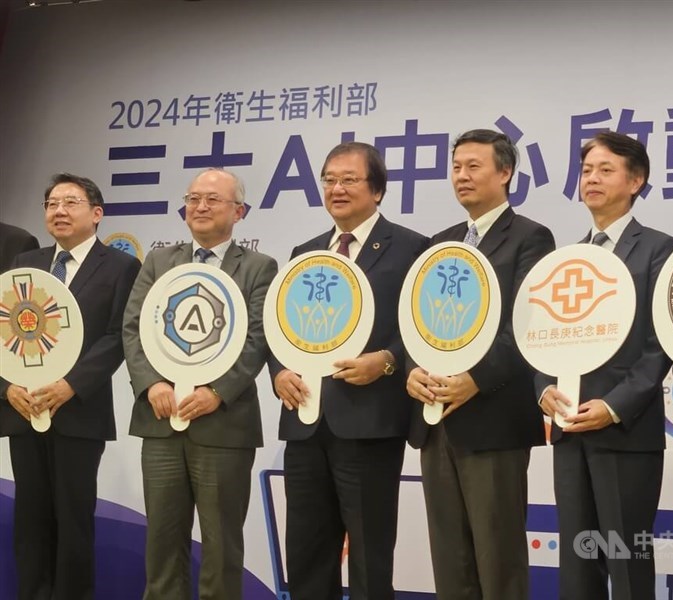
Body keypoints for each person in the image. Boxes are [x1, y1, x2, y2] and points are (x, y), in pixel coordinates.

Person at [268, 141, 428, 600]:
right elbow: (281, 325)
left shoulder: (413, 248)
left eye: (349, 180)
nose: (336, 189)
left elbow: (424, 329)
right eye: (329, 180)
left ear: (377, 190)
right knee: (306, 552)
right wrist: (279, 371)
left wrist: (389, 361)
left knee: (369, 556)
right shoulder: (306, 251)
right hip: (305, 421)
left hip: (369, 423)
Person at [406, 129, 555, 600]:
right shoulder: (440, 242)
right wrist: (413, 368)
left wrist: (474, 380)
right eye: (456, 167)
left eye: (474, 166)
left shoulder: (531, 238)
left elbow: (527, 329)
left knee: (498, 559)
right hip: (436, 421)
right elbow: (416, 320)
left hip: (493, 418)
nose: (462, 176)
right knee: (450, 560)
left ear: (505, 172)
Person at [122, 167, 277, 599]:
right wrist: (151, 384)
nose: (201, 206)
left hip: (224, 426)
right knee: (162, 542)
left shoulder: (260, 266)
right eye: (193, 198)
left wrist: (217, 392)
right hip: (161, 419)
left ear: (239, 211)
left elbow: (259, 337)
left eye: (213, 199)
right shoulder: (159, 261)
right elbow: (133, 328)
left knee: (221, 545)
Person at [537, 131, 673, 600]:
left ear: (635, 181)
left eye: (605, 170)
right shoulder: (567, 256)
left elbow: (661, 347)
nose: (591, 179)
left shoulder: (659, 249)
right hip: (569, 430)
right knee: (577, 565)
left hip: (624, 433)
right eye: (586, 171)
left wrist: (614, 407)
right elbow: (539, 336)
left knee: (627, 561)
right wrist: (544, 390)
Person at [0, 173, 140, 599]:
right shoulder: (26, 264)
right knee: (30, 519)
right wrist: (7, 387)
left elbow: (117, 335)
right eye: (51, 204)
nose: (58, 211)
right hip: (24, 409)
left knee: (74, 519)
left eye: (70, 203)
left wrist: (70, 385)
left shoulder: (120, 265)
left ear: (96, 214)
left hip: (79, 411)